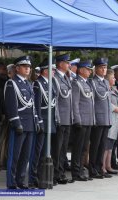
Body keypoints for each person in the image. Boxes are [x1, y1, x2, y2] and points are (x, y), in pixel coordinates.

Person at [4, 56, 40, 189]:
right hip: (19, 124)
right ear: (17, 68)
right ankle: (11, 181)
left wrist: (36, 121)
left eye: (29, 67)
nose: (28, 69)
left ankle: (20, 180)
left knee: (25, 156)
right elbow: (11, 105)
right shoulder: (11, 83)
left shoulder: (28, 84)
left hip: (30, 124)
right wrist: (15, 122)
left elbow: (33, 106)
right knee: (15, 154)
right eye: (24, 66)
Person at [29, 59, 59, 188]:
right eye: (52, 70)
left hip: (50, 121)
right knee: (38, 151)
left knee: (47, 151)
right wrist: (39, 121)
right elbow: (36, 105)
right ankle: (33, 177)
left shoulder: (50, 83)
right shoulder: (38, 84)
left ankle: (43, 175)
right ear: (45, 71)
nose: (54, 72)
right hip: (42, 121)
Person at [71, 60, 95, 181]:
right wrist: (77, 119)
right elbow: (75, 103)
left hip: (88, 120)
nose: (90, 71)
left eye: (90, 69)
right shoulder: (76, 83)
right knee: (78, 147)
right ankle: (76, 171)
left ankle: (80, 169)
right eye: (87, 69)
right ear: (80, 70)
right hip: (81, 120)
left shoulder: (87, 83)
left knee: (85, 148)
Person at [88, 58, 112, 179]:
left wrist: (109, 119)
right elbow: (92, 102)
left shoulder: (106, 83)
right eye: (101, 67)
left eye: (105, 67)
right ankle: (92, 169)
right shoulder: (92, 82)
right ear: (96, 69)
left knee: (102, 145)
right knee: (95, 146)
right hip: (98, 118)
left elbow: (107, 102)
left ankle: (99, 168)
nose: (104, 69)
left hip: (106, 118)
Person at [52, 53, 73, 184]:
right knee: (57, 148)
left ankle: (61, 172)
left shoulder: (66, 78)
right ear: (60, 64)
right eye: (67, 62)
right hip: (60, 118)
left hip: (67, 118)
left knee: (63, 149)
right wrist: (58, 118)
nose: (69, 65)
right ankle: (55, 174)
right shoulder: (55, 79)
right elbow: (57, 100)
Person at [103, 69, 118, 175]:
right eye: (112, 78)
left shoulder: (115, 89)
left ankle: (108, 165)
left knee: (111, 145)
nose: (114, 79)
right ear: (107, 79)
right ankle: (103, 166)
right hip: (109, 117)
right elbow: (106, 102)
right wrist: (116, 109)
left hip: (116, 119)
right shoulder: (106, 89)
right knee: (106, 144)